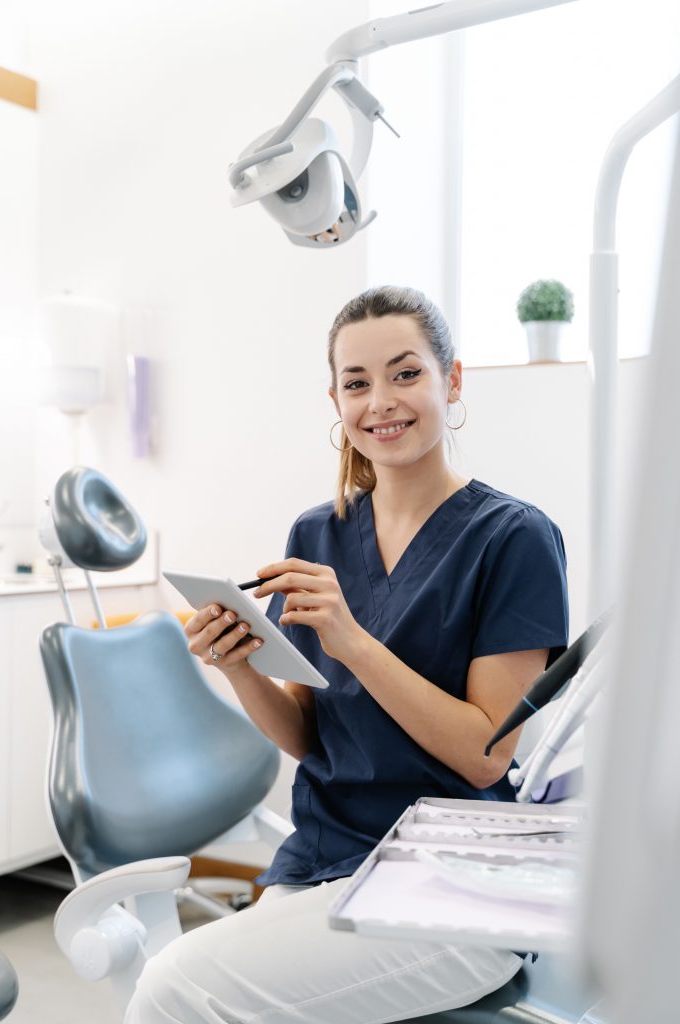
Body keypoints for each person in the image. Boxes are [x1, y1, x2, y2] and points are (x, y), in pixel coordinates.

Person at [125, 285, 568, 1024]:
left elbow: (485, 756)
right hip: (328, 857)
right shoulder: (316, 535)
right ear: (334, 400)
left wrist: (353, 642)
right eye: (356, 383)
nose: (380, 402)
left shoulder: (512, 539)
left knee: (173, 989)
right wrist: (238, 663)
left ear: (450, 381)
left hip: (453, 877)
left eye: (405, 373)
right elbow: (310, 736)